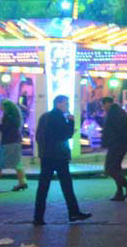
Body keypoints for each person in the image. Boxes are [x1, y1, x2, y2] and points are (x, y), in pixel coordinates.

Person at [33, 95, 92, 225]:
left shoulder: (44, 117)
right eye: (66, 104)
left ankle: (38, 217)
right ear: (58, 104)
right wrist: (71, 122)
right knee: (66, 185)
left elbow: (38, 136)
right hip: (59, 156)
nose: (68, 106)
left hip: (46, 155)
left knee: (43, 187)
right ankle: (74, 213)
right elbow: (65, 135)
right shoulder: (58, 117)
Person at [99, 96, 127, 201]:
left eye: (103, 105)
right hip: (119, 144)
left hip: (117, 145)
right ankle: (119, 192)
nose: (103, 108)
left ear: (107, 103)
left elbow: (118, 130)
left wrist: (107, 141)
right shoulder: (117, 111)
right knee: (116, 168)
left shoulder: (115, 113)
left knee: (109, 168)